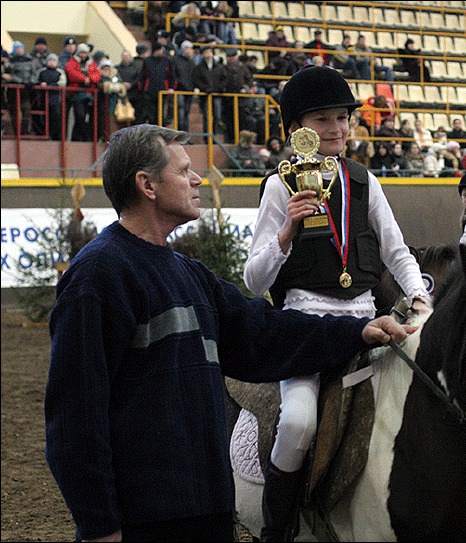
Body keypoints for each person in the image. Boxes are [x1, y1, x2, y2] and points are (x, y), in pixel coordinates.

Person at [44, 124, 413, 543]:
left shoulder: (189, 275)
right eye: (184, 171)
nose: (198, 179)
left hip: (207, 513)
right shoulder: (99, 275)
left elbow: (266, 334)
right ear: (147, 185)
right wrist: (98, 526)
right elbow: (75, 416)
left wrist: (359, 331)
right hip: (144, 521)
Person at [243, 65, 429, 541]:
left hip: (367, 319)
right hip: (304, 325)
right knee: (301, 421)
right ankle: (277, 528)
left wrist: (420, 296)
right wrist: (285, 232)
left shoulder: (365, 181)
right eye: (324, 120)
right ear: (297, 131)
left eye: (343, 118)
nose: (338, 129)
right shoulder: (277, 186)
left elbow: (396, 251)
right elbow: (253, 278)